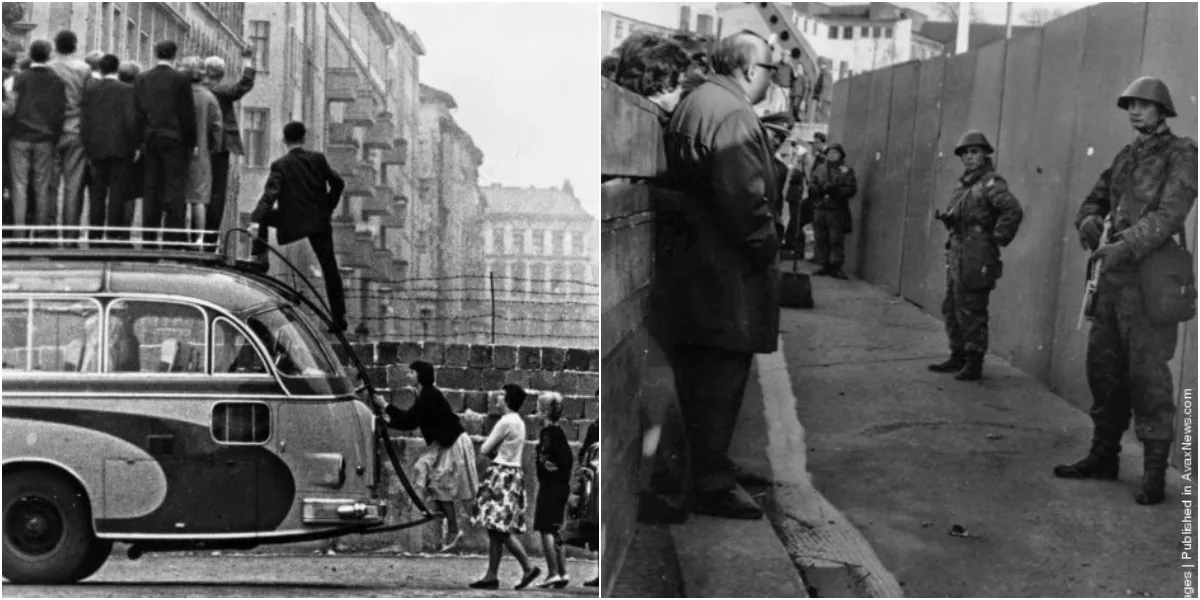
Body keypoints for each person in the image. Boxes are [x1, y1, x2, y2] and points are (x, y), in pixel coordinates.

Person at [1053, 77, 1196, 506]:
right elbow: (1093, 200)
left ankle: (1154, 474)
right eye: (1130, 105)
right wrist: (1089, 222)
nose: (1135, 111)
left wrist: (1126, 244)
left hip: (1150, 282)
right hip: (1112, 284)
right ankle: (1103, 456)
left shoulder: (1182, 153)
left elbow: (1172, 213)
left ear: (1162, 111)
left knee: (1149, 376)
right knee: (1105, 370)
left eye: (1144, 105)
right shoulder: (1125, 156)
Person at [659, 31, 781, 520]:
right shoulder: (731, 113)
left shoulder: (700, 101)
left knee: (704, 376)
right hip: (725, 271)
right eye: (771, 71)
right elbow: (744, 200)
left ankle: (711, 464)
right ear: (750, 70)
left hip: (700, 264)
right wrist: (767, 246)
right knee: (721, 376)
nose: (771, 80)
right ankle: (709, 481)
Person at [927, 130, 1024, 381]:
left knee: (972, 305)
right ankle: (957, 354)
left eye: (974, 152)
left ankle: (974, 360)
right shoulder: (965, 184)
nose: (969, 158)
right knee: (952, 304)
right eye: (965, 154)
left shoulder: (990, 183)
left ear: (985, 155)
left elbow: (1012, 210)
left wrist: (996, 238)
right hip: (959, 247)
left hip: (976, 250)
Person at [249, 121, 348, 332]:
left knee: (263, 217)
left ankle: (259, 257)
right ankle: (339, 318)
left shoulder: (280, 165)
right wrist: (326, 208)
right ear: (304, 138)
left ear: (284, 140)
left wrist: (255, 220)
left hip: (291, 222)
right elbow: (338, 183)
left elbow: (270, 195)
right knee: (329, 267)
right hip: (318, 222)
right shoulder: (318, 159)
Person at [371, 361, 478, 551]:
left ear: (420, 375)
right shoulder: (424, 395)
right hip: (443, 442)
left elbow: (411, 420)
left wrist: (386, 407)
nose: (408, 375)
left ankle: (453, 530)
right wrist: (389, 418)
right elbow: (410, 419)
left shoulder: (429, 395)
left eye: (411, 372)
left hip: (451, 442)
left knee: (443, 483)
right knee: (429, 475)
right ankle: (445, 519)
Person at [470, 384, 541, 590]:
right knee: (496, 529)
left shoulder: (506, 421)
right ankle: (492, 575)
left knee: (497, 528)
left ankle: (526, 567)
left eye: (501, 395)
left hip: (501, 474)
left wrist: (494, 454)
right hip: (513, 474)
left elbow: (485, 448)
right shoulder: (518, 421)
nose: (498, 398)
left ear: (508, 399)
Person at [135, 40, 197, 249]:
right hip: (175, 140)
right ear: (175, 55)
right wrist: (191, 142)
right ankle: (173, 240)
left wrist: (140, 140)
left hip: (151, 139)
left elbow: (138, 112)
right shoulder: (181, 79)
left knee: (150, 188)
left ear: (155, 53)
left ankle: (148, 240)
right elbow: (187, 113)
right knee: (175, 189)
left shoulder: (143, 78)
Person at [8, 39, 66, 239]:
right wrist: (55, 137)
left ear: (30, 55)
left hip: (19, 137)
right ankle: (41, 233)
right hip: (45, 139)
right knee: (42, 186)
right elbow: (60, 113)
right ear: (49, 55)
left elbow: (10, 108)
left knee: (19, 185)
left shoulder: (20, 78)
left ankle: (18, 233)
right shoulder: (57, 81)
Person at [81, 53, 140, 241]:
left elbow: (85, 120)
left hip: (96, 148)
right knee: (117, 192)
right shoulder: (126, 90)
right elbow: (131, 120)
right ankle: (113, 233)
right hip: (120, 148)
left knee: (97, 193)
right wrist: (134, 145)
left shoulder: (91, 90)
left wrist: (88, 146)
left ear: (101, 68)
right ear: (117, 68)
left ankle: (95, 234)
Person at [202, 50, 256, 247]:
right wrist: (248, 62)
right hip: (220, 146)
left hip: (198, 145)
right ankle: (210, 238)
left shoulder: (199, 89)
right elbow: (243, 86)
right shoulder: (221, 92)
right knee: (217, 193)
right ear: (222, 74)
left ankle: (194, 235)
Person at [178, 56, 221, 246]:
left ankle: (180, 236)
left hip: (178, 150)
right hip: (202, 153)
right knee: (199, 198)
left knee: (179, 195)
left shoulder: (178, 94)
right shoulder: (209, 97)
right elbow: (217, 128)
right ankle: (198, 239)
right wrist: (212, 149)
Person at [533, 392, 573, 589]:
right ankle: (563, 571)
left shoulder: (548, 433)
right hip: (561, 487)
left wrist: (545, 466)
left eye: (539, 409)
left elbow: (544, 459)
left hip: (550, 487)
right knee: (556, 529)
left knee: (546, 528)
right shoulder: (560, 433)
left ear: (545, 411)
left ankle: (552, 572)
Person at [609, 32, 692, 117]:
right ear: (665, 84)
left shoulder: (619, 109)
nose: (681, 91)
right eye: (680, 84)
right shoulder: (648, 121)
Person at [808, 142, 857, 279]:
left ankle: (836, 266)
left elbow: (851, 189)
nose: (831, 155)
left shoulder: (845, 171)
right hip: (820, 207)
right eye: (829, 153)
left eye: (835, 153)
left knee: (836, 239)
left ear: (841, 155)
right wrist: (814, 189)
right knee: (820, 238)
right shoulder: (820, 169)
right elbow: (812, 181)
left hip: (836, 209)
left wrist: (837, 191)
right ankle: (824, 264)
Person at [117, 61, 144, 221]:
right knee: (129, 191)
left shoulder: (113, 91)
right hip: (132, 148)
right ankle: (125, 230)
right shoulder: (139, 94)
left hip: (113, 144)